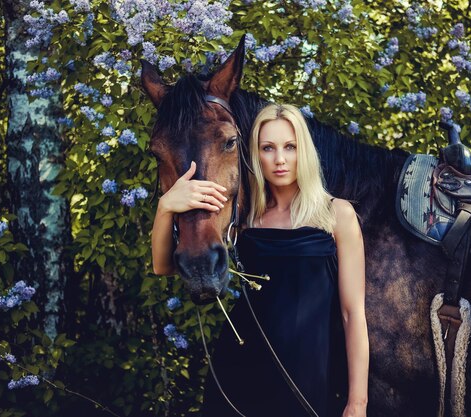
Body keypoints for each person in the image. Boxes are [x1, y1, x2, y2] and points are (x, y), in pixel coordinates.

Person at [151, 103, 369, 417]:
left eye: (290, 147)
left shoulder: (336, 214)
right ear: (255, 154)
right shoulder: (245, 217)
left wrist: (357, 402)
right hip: (239, 372)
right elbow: (163, 266)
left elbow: (352, 314)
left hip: (310, 377)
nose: (280, 159)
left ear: (303, 151)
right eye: (268, 148)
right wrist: (165, 207)